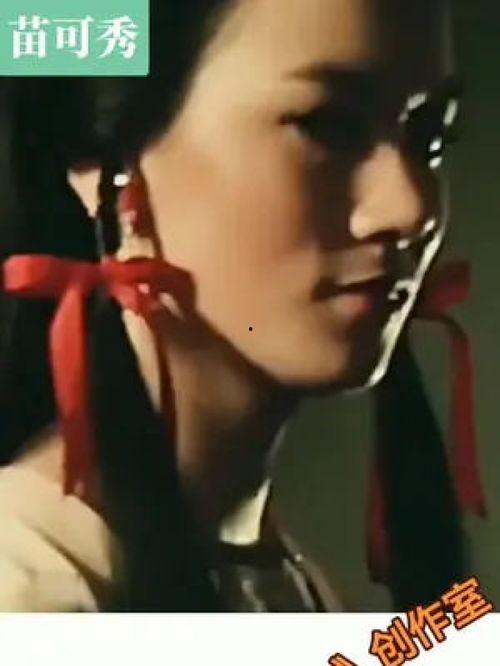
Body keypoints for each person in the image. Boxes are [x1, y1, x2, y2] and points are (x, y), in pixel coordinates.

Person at [0, 0, 464, 611]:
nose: (411, 209)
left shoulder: (282, 579)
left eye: (429, 139)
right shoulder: (30, 590)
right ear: (113, 167)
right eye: (327, 125)